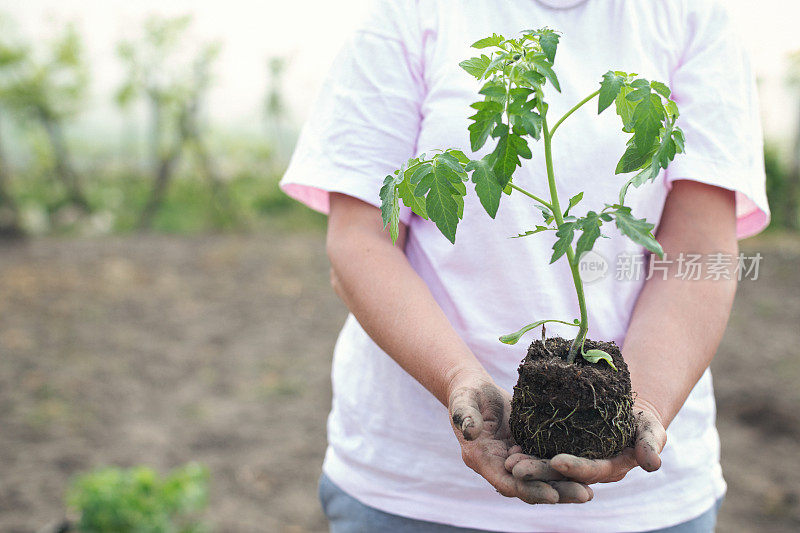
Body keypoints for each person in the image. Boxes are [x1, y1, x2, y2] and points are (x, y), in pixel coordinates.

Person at [280, 0, 769, 531]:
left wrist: (641, 403)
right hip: (413, 490)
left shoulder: (691, 17)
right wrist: (458, 382)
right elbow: (361, 240)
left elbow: (699, 255)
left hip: (649, 507)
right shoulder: (410, 14)